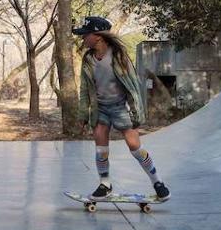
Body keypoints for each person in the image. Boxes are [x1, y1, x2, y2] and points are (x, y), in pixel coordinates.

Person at [73, 16, 170, 201]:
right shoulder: (88, 60)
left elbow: (133, 85)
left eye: (85, 35)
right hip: (100, 108)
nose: (82, 38)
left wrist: (137, 112)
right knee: (101, 149)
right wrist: (82, 116)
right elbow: (85, 89)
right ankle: (105, 184)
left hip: (120, 107)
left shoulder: (118, 56)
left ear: (98, 36)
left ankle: (158, 182)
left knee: (135, 147)